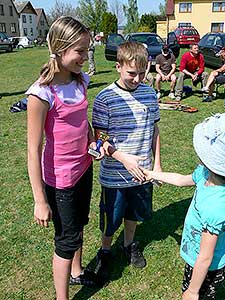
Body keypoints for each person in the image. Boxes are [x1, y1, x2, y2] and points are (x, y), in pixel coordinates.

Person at [26, 16, 101, 300]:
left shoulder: (81, 80)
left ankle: (77, 272)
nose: (85, 56)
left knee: (80, 223)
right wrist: (39, 200)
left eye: (87, 49)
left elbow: (84, 122)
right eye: (80, 51)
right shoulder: (41, 93)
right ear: (59, 48)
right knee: (67, 239)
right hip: (60, 181)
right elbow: (33, 150)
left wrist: (92, 140)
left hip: (84, 168)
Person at [92, 41, 161, 283]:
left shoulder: (150, 93)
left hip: (142, 171)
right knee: (111, 217)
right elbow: (99, 137)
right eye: (132, 73)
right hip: (114, 175)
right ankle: (105, 250)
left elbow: (154, 129)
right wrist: (120, 157)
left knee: (133, 213)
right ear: (118, 66)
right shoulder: (104, 98)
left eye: (142, 73)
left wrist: (158, 165)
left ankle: (129, 244)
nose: (137, 78)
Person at [138, 113, 225, 300]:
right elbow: (181, 180)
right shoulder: (206, 174)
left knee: (198, 295)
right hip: (196, 259)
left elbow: (205, 256)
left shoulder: (216, 208)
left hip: (208, 268)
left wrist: (193, 291)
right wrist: (152, 174)